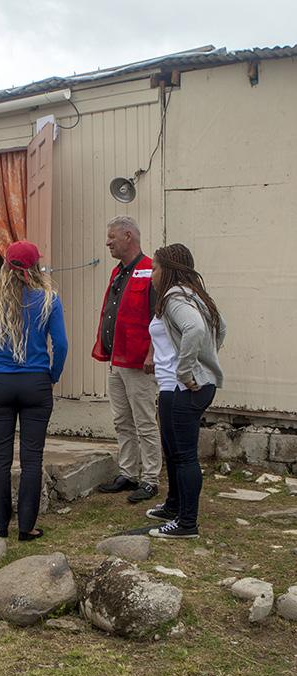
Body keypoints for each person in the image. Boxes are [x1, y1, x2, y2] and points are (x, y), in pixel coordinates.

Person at [0, 240, 68, 540]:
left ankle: (1, 526)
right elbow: (62, 345)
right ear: (35, 267)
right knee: (32, 459)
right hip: (36, 383)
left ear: (6, 265)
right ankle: (27, 527)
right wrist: (52, 375)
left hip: (0, 382)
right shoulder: (49, 299)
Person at [146, 243, 226, 539]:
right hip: (178, 386)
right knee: (174, 451)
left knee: (185, 456)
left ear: (168, 270)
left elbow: (195, 329)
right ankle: (174, 507)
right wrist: (207, 360)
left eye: (154, 268)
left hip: (186, 386)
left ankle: (186, 523)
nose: (151, 274)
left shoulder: (174, 297)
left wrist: (188, 369)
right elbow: (222, 327)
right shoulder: (193, 294)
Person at [92, 216, 161, 503]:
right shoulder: (118, 272)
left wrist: (152, 353)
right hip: (117, 360)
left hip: (139, 362)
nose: (107, 242)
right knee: (122, 420)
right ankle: (129, 473)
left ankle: (151, 478)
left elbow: (159, 316)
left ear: (128, 236)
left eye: (112, 237)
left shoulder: (150, 271)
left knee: (144, 420)